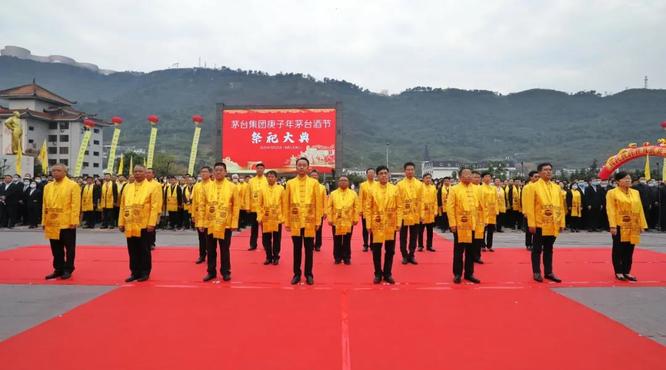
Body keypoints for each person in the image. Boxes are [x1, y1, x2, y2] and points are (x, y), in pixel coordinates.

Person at [282, 157, 323, 285]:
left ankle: (309, 274)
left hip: (310, 221)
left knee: (309, 249)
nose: (301, 167)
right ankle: (296, 274)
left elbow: (318, 203)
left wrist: (318, 221)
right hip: (295, 221)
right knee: (297, 249)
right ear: (296, 167)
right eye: (299, 165)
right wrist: (287, 222)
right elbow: (286, 203)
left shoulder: (314, 183)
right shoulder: (290, 183)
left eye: (304, 165)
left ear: (308, 167)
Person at [118, 165, 162, 282]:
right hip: (130, 223)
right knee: (132, 250)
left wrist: (152, 223)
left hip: (144, 224)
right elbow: (123, 206)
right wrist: (121, 222)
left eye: (140, 171)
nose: (137, 173)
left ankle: (145, 272)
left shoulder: (152, 187)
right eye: (135, 171)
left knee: (144, 250)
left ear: (145, 173)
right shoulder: (128, 187)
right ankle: (134, 272)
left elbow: (155, 207)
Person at [523, 163, 565, 283]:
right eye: (545, 170)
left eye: (550, 170)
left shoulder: (557, 187)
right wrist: (531, 223)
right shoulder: (532, 187)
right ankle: (536, 272)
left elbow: (561, 206)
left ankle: (549, 272)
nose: (548, 172)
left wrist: (562, 222)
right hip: (539, 223)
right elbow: (530, 207)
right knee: (537, 249)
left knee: (549, 249)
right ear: (539, 172)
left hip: (553, 223)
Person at [199, 162, 240, 282]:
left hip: (225, 224)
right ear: (213, 172)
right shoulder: (206, 187)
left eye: (221, 170)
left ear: (225, 172)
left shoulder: (232, 187)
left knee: (224, 249)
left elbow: (236, 206)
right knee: (210, 249)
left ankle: (225, 272)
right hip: (210, 223)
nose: (218, 172)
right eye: (216, 170)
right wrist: (201, 222)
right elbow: (202, 205)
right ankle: (211, 272)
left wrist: (234, 223)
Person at [606, 172, 647, 281]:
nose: (628, 180)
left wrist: (642, 224)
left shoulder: (635, 192)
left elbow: (640, 209)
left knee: (630, 249)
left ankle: (627, 271)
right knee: (618, 249)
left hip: (633, 225)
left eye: (629, 178)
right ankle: (619, 271)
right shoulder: (612, 193)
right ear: (618, 181)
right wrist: (613, 226)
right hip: (619, 225)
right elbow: (611, 210)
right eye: (625, 179)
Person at [42, 164, 81, 280]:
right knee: (55, 248)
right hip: (52, 222)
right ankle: (58, 269)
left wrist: (74, 221)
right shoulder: (47, 186)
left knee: (69, 248)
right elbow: (44, 205)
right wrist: (44, 221)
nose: (55, 172)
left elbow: (75, 205)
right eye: (53, 170)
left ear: (65, 172)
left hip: (66, 223)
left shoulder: (73, 185)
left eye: (58, 170)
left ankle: (68, 269)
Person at [365, 165, 402, 284]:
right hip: (377, 223)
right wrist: (368, 224)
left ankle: (388, 273)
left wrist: (399, 222)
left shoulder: (395, 189)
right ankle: (377, 273)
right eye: (381, 173)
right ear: (377, 175)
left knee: (390, 250)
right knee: (376, 250)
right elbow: (368, 208)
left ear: (389, 174)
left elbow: (399, 207)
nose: (383, 175)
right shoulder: (371, 189)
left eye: (385, 173)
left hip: (391, 223)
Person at [446, 168, 481, 284]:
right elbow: (450, 208)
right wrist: (452, 224)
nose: (468, 176)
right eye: (465, 174)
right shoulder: (454, 189)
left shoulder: (477, 189)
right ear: (460, 176)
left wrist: (481, 222)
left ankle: (469, 273)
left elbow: (481, 207)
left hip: (473, 224)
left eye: (470, 174)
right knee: (459, 251)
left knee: (471, 251)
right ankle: (457, 274)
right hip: (460, 225)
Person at [327, 176, 359, 264]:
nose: (343, 182)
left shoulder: (353, 194)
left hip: (348, 220)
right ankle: (337, 257)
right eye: (341, 180)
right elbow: (329, 207)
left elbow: (356, 207)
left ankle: (346, 257)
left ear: (348, 182)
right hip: (336, 220)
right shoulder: (333, 194)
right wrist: (329, 219)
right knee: (336, 239)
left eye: (345, 180)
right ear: (338, 182)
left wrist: (356, 218)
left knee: (347, 239)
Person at [397, 162, 423, 265]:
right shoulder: (399, 184)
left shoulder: (419, 184)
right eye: (408, 169)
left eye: (412, 169)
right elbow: (398, 201)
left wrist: (421, 215)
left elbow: (421, 200)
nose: (410, 171)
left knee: (414, 236)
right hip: (403, 215)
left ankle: (411, 254)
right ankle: (404, 255)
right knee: (403, 236)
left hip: (415, 214)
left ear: (414, 170)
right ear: (404, 171)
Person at [257, 170, 284, 265]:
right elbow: (259, 204)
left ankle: (276, 256)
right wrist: (259, 217)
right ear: (266, 178)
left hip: (277, 217)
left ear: (276, 178)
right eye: (269, 176)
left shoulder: (281, 189)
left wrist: (283, 217)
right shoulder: (262, 189)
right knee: (266, 239)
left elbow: (283, 203)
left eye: (272, 176)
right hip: (266, 217)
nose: (270, 178)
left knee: (277, 238)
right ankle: (268, 256)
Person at [191, 166, 212, 263]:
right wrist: (193, 215)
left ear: (210, 173)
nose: (203, 173)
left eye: (205, 172)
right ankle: (202, 255)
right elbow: (194, 201)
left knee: (210, 238)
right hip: (199, 214)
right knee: (201, 237)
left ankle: (211, 255)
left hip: (209, 215)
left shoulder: (213, 185)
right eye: (202, 172)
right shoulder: (197, 186)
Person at [247, 163, 268, 250]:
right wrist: (247, 207)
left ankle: (266, 245)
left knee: (265, 228)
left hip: (264, 209)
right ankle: (253, 244)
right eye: (258, 168)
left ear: (264, 169)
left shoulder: (267, 180)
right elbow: (248, 194)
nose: (259, 170)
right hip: (253, 208)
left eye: (261, 168)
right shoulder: (251, 181)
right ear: (256, 170)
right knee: (254, 228)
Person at [358, 168, 378, 252]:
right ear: (366, 174)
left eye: (372, 173)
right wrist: (360, 210)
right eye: (369, 173)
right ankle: (365, 244)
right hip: (366, 210)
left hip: (376, 210)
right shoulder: (363, 185)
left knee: (374, 228)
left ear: (375, 174)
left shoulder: (377, 184)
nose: (371, 174)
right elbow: (361, 198)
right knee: (365, 228)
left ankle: (373, 244)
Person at [418, 173, 437, 252]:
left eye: (429, 178)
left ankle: (429, 245)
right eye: (426, 178)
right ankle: (420, 245)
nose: (428, 179)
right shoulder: (420, 187)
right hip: (422, 212)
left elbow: (435, 201)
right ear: (423, 179)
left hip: (430, 212)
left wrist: (435, 211)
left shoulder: (433, 188)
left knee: (430, 231)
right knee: (420, 231)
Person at [145, 168, 163, 252]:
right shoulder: (142, 183)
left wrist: (158, 210)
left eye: (149, 173)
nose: (147, 174)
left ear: (153, 175)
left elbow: (159, 198)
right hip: (144, 210)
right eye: (146, 173)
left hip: (153, 209)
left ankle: (152, 243)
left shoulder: (157, 185)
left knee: (152, 227)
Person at [310, 169, 327, 252]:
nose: (314, 177)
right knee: (309, 229)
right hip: (309, 212)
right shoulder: (307, 187)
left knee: (318, 230)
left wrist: (325, 212)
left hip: (319, 212)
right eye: (312, 175)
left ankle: (318, 245)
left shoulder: (322, 187)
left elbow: (325, 200)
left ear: (318, 177)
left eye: (315, 175)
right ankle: (310, 244)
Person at [521, 171, 539, 250]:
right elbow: (524, 200)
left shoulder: (540, 186)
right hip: (529, 211)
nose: (537, 178)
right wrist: (525, 211)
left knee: (538, 230)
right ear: (530, 177)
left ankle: (536, 244)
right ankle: (528, 244)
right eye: (535, 177)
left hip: (538, 211)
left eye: (538, 177)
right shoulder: (527, 187)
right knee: (529, 230)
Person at [481, 173, 499, 252]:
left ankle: (489, 245)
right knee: (482, 230)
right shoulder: (480, 188)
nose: (488, 178)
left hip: (492, 211)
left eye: (489, 176)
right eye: (486, 176)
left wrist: (496, 210)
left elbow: (496, 200)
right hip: (484, 211)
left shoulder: (493, 188)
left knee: (491, 230)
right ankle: (482, 245)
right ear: (483, 178)